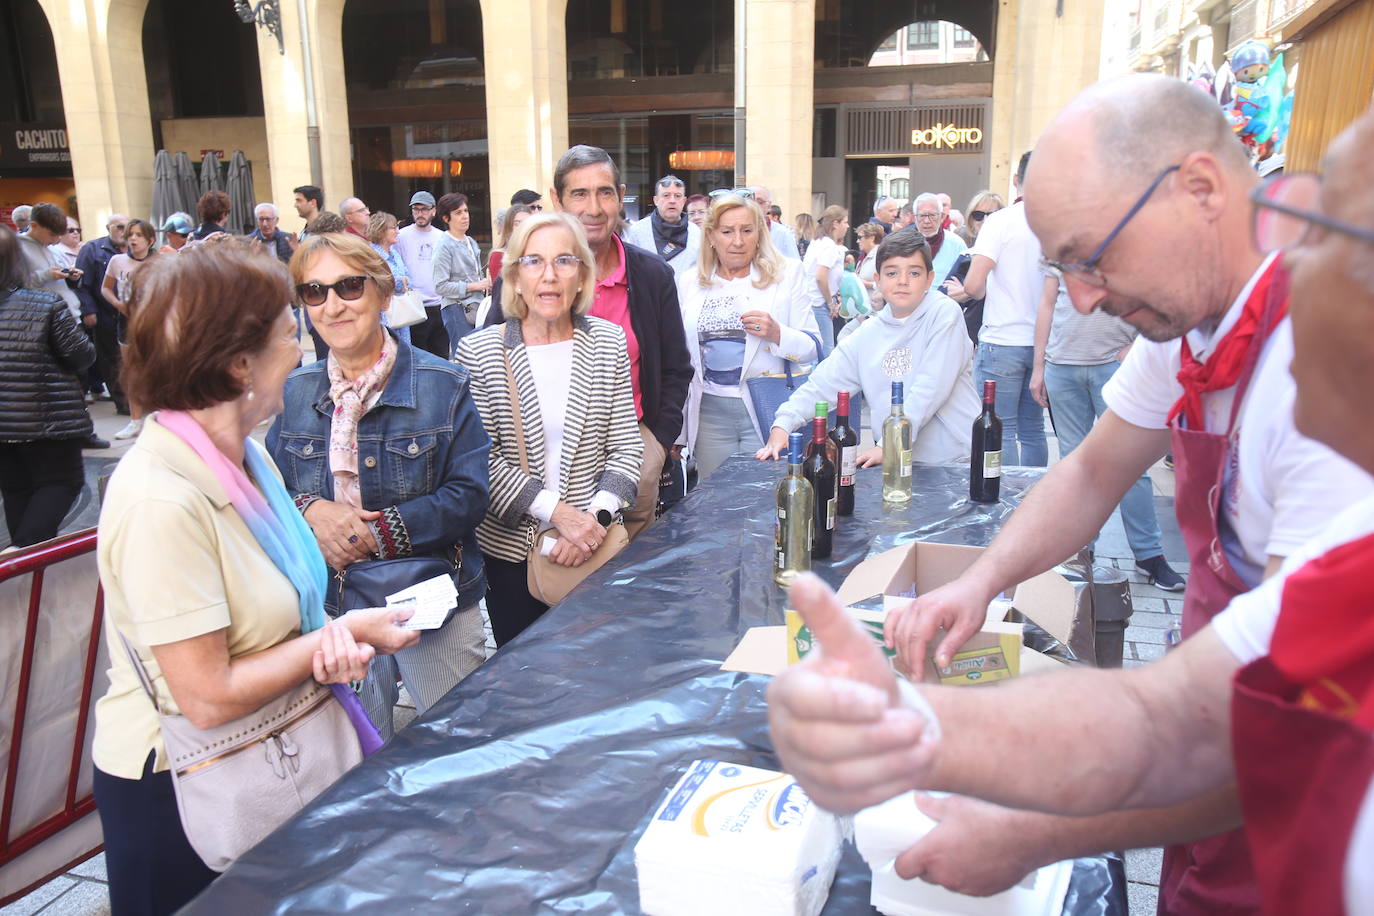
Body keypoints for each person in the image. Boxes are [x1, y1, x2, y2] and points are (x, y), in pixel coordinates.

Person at [768, 106, 1374, 916]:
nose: (1082, 301)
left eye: (1316, 229)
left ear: (1199, 189)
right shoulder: (1185, 328)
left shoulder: (1318, 425)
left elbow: (1239, 743)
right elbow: (1167, 709)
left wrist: (1034, 829)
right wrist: (971, 600)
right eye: (1062, 270)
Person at [91, 241, 419, 913]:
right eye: (285, 332)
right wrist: (335, 638)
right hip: (186, 796)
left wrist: (339, 632)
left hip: (272, 764)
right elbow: (206, 696)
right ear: (239, 364)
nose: (300, 346)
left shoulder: (243, 456)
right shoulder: (161, 498)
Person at [268, 232, 491, 741]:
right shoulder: (294, 392)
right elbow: (268, 490)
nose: (333, 305)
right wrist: (308, 510)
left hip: (429, 604)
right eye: (314, 292)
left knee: (452, 748)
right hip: (335, 607)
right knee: (358, 756)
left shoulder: (444, 383)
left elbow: (469, 494)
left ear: (383, 294)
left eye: (349, 287)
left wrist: (374, 535)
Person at [455, 211, 642, 645]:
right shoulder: (479, 352)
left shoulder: (609, 342)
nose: (549, 276)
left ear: (582, 275)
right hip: (514, 556)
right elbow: (480, 459)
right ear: (515, 277)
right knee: (523, 683)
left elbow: (626, 449)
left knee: (596, 673)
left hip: (593, 548)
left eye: (564, 260)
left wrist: (591, 523)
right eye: (534, 261)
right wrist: (559, 515)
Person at [487, 145, 692, 542]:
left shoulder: (652, 276)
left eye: (604, 192)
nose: (593, 208)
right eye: (579, 194)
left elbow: (676, 368)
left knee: (624, 583)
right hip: (537, 464)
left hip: (630, 458)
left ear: (620, 197)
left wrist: (655, 443)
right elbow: (495, 368)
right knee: (541, 581)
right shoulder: (520, 280)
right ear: (557, 200)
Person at [759, 229, 978, 466]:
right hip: (897, 462)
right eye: (892, 273)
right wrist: (784, 422)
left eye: (914, 273)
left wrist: (889, 444)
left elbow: (930, 388)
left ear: (929, 278)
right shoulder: (867, 334)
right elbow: (823, 384)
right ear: (878, 280)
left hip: (954, 459)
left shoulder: (944, 314)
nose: (903, 281)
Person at [1031, 275, 1185, 590]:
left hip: (1113, 366)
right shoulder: (1057, 248)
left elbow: (1155, 295)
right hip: (1062, 366)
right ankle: (1081, 550)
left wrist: (1138, 345)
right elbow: (1047, 303)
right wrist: (1039, 365)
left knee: (1132, 466)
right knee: (1074, 466)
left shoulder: (1122, 240)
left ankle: (1148, 554)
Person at [677, 194, 820, 478]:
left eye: (746, 230)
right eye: (727, 232)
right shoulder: (690, 282)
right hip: (708, 412)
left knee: (764, 499)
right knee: (716, 500)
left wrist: (778, 334)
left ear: (759, 233)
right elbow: (681, 356)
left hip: (767, 406)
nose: (738, 241)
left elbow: (813, 347)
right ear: (711, 236)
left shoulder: (786, 274)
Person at [943, 153, 1047, 467]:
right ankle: (1034, 497)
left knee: (1003, 426)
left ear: (1016, 180)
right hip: (1043, 342)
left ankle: (1011, 500)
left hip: (1002, 340)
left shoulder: (1001, 222)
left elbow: (974, 285)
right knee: (1033, 429)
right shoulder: (1054, 221)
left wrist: (970, 291)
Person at [0, 226, 96, 548]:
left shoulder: (43, 305)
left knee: (16, 489)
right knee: (61, 482)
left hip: (11, 425)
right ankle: (22, 553)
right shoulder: (44, 304)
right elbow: (81, 355)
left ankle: (25, 569)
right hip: (46, 419)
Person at [102, 219, 160, 440]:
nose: (133, 239)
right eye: (130, 235)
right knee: (132, 370)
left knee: (156, 369)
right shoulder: (117, 261)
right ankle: (135, 420)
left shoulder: (162, 260)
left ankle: (160, 417)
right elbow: (105, 288)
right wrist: (118, 304)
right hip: (127, 320)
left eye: (138, 235)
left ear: (150, 240)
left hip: (154, 320)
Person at [75, 213, 130, 420]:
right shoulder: (92, 249)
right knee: (112, 360)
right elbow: (83, 284)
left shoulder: (137, 250)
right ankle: (123, 401)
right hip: (106, 314)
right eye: (118, 227)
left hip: (134, 317)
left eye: (127, 227)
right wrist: (89, 310)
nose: (123, 231)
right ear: (108, 228)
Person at [434, 192, 491, 356]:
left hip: (476, 306)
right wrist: (474, 285)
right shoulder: (443, 245)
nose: (465, 216)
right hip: (455, 308)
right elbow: (440, 286)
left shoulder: (470, 241)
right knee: (464, 357)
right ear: (446, 218)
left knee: (479, 356)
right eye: (458, 213)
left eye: (466, 211)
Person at [395, 190, 448, 360]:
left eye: (424, 209)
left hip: (440, 303)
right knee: (418, 358)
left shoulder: (442, 237)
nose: (420, 214)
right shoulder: (401, 236)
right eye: (416, 209)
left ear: (433, 211)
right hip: (415, 305)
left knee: (441, 356)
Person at [948, 190, 1006, 343]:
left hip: (1002, 337)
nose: (986, 219)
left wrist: (968, 290)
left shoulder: (1011, 254)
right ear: (971, 220)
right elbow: (947, 293)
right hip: (969, 338)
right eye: (978, 215)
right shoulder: (966, 256)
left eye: (993, 214)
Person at [624, 175, 702, 274]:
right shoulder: (637, 231)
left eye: (677, 196)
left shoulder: (696, 233)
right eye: (666, 195)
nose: (672, 201)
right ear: (655, 200)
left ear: (684, 201)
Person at [801, 205, 849, 360]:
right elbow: (821, 276)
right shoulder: (829, 246)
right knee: (826, 351)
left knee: (817, 349)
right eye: (845, 222)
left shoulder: (818, 242)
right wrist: (830, 302)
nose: (847, 226)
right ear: (835, 223)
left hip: (812, 300)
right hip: (820, 303)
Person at [367, 210, 413, 346]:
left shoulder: (394, 253)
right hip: (383, 317)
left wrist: (400, 281)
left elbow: (409, 278)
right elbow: (382, 283)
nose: (398, 231)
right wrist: (400, 281)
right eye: (394, 228)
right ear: (380, 231)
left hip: (401, 315)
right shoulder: (372, 255)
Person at [912, 192, 968, 284]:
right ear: (915, 218)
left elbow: (966, 279)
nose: (927, 221)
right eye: (922, 216)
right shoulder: (901, 244)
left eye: (932, 215)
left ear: (942, 217)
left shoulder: (956, 244)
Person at [749, 186, 801, 259]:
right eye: (749, 201)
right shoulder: (738, 231)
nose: (753, 205)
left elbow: (794, 266)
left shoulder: (782, 233)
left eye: (759, 202)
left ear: (769, 206)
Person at [489, 203, 533, 279]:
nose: (522, 227)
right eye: (517, 224)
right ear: (509, 227)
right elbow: (500, 289)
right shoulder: (499, 256)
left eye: (526, 223)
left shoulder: (536, 252)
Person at [855, 221, 884, 313]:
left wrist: (868, 284)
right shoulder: (862, 257)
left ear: (871, 238)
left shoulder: (881, 256)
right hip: (862, 311)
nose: (857, 241)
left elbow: (888, 284)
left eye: (860, 237)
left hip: (874, 312)